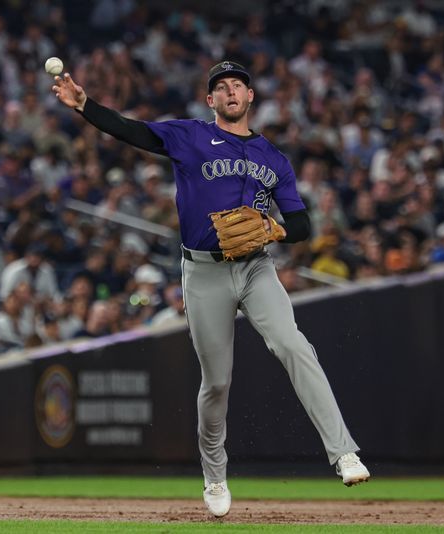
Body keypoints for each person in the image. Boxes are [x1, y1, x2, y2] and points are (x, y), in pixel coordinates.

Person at [52, 60, 370, 517]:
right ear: (211, 100)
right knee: (217, 382)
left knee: (293, 345)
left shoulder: (273, 158)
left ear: (250, 96)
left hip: (256, 269)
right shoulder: (190, 137)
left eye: (238, 84)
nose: (230, 91)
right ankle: (215, 475)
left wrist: (276, 230)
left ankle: (343, 453)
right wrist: (85, 105)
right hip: (204, 273)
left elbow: (301, 223)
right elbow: (133, 131)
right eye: (221, 87)